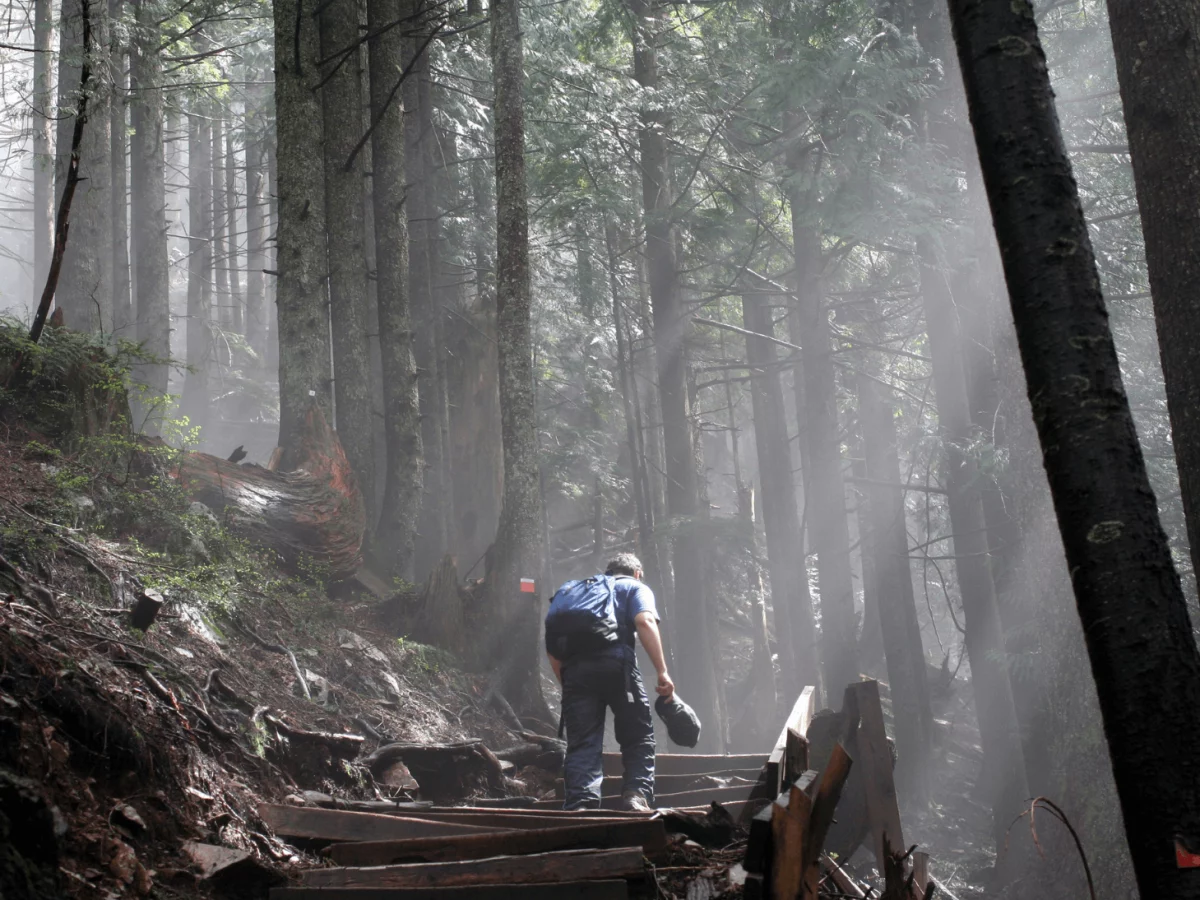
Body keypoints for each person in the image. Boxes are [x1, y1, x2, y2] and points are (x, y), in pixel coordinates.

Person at [547, 552, 674, 811]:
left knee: (582, 741)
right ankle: (635, 796)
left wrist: (567, 682)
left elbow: (551, 642)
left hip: (575, 672)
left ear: (608, 571)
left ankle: (582, 805)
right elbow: (645, 621)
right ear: (637, 573)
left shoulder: (576, 593)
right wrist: (662, 671)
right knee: (638, 735)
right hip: (618, 668)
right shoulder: (634, 586)